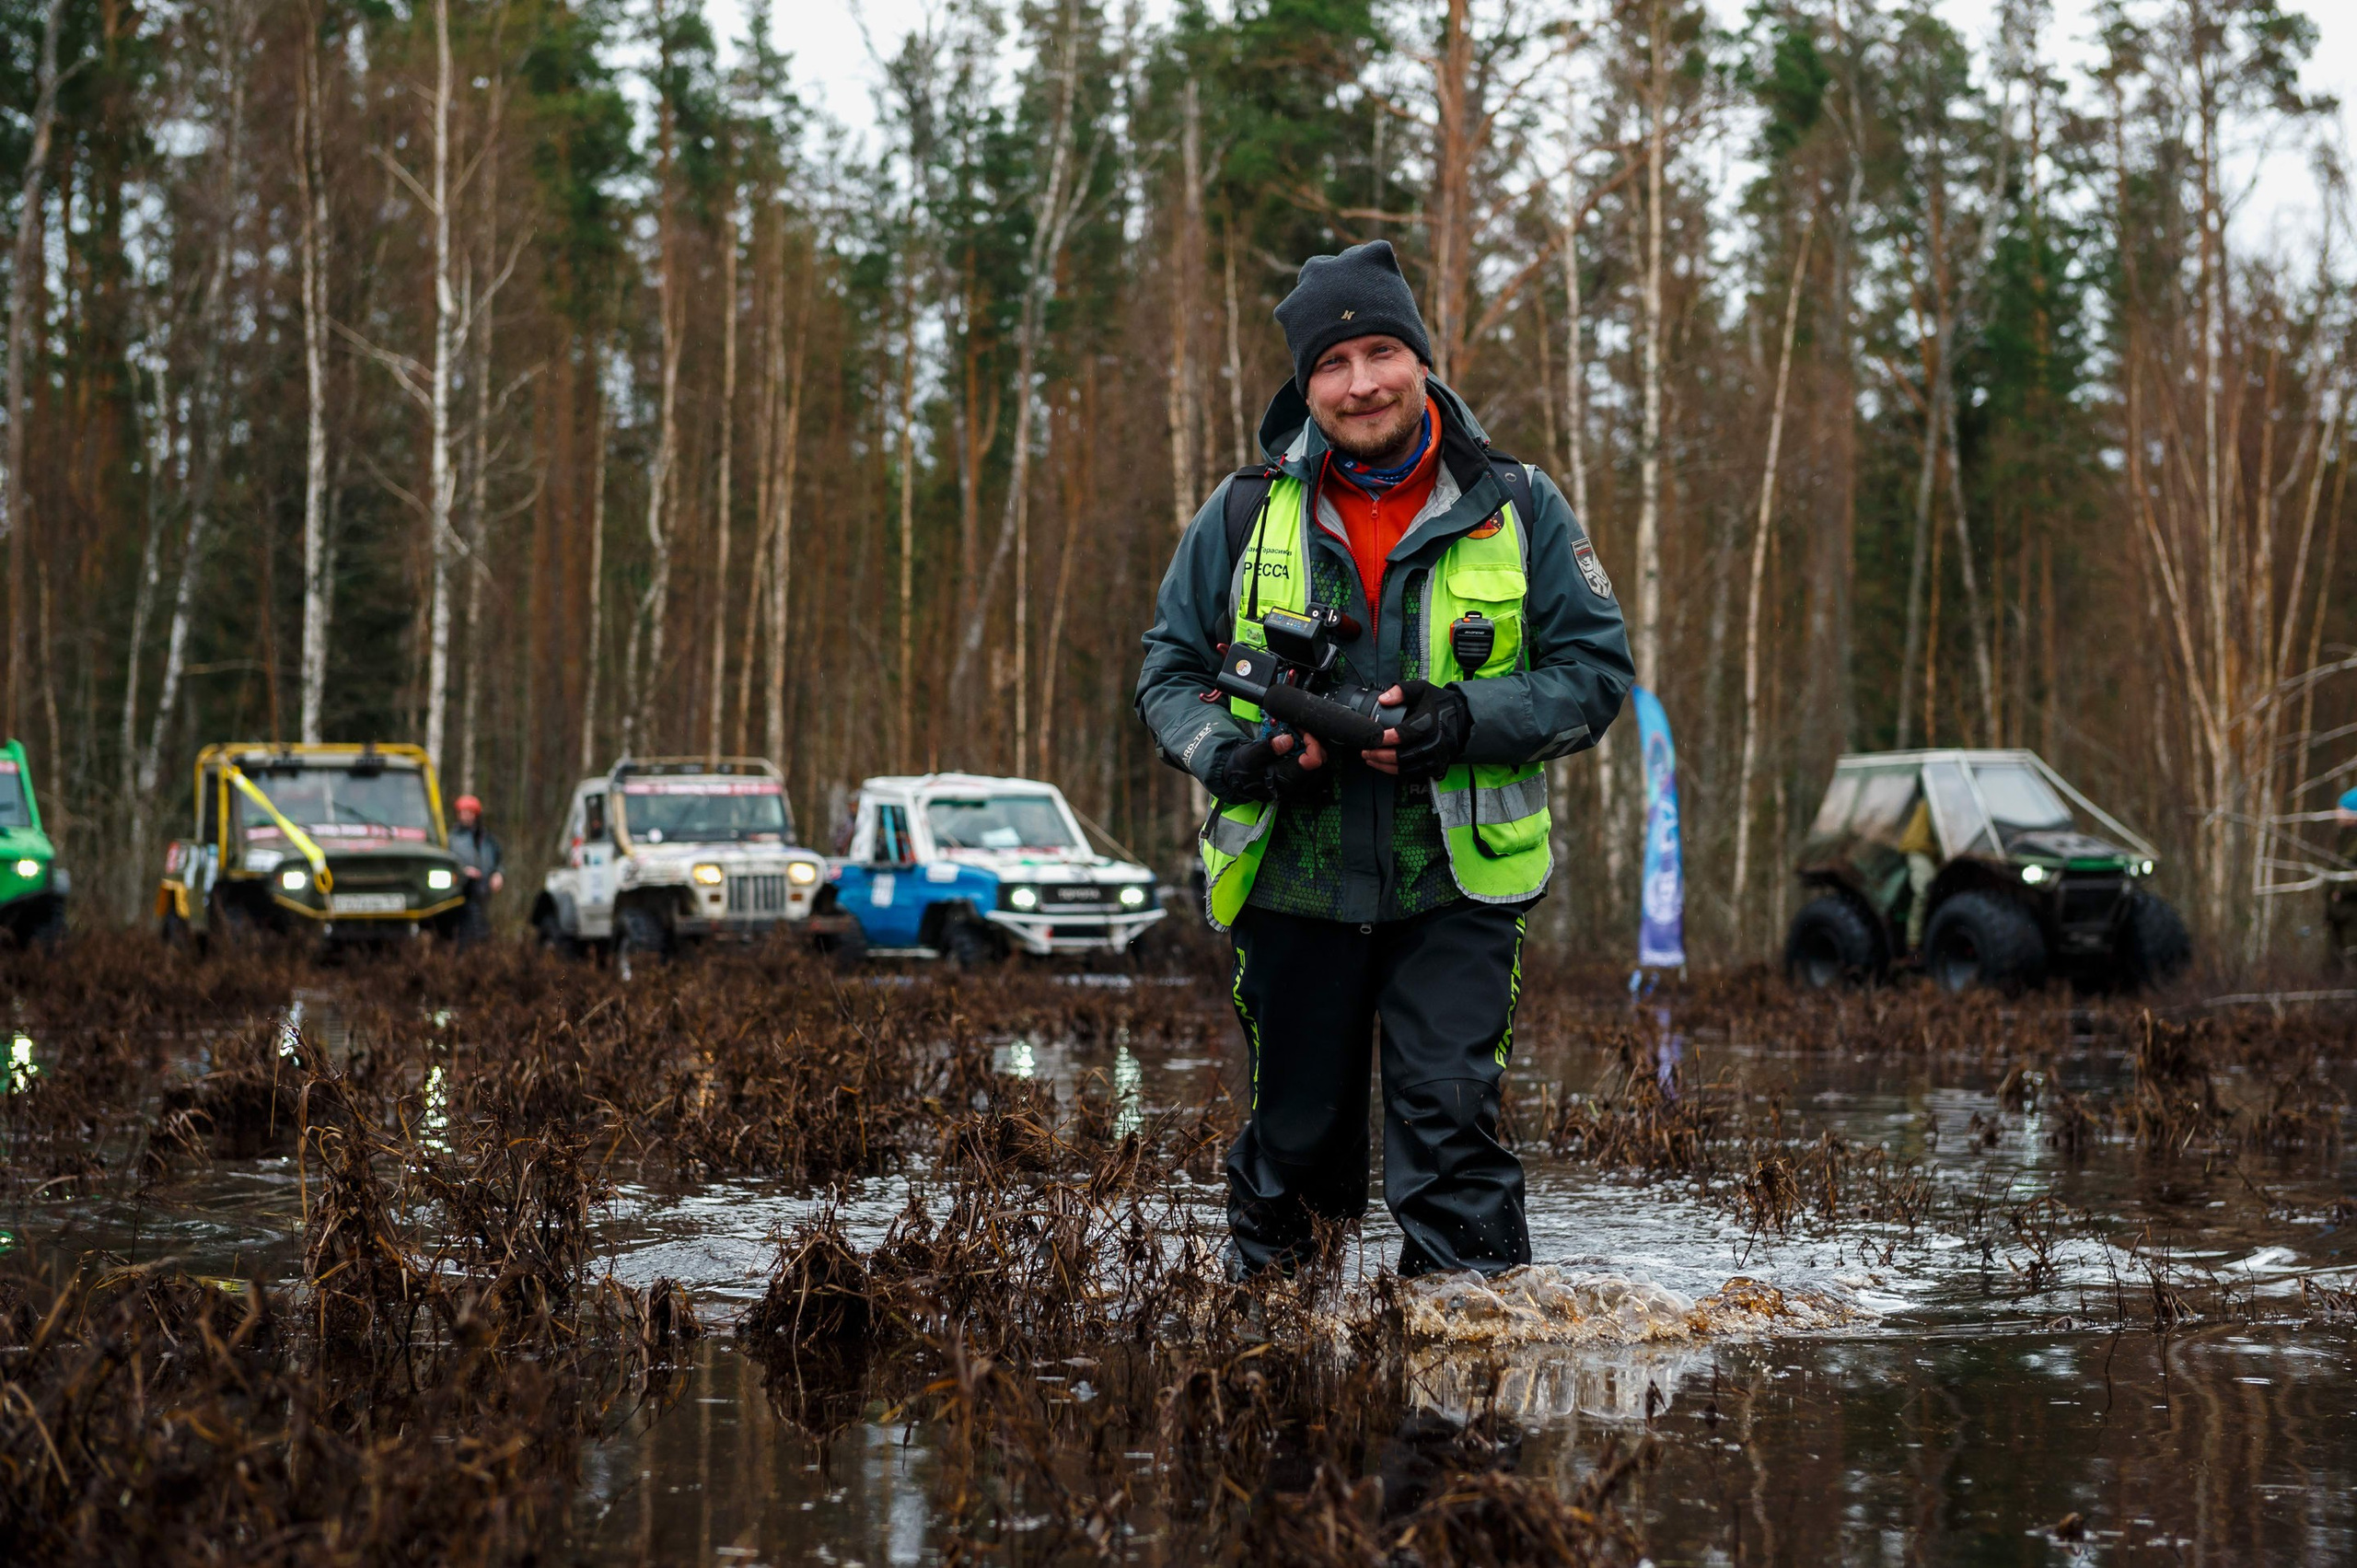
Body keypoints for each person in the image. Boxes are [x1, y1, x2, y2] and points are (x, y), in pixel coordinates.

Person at [1136, 239, 1633, 1280]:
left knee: (1453, 1133)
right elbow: (1168, 675)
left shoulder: (1520, 505)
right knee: (1295, 1150)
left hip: (1454, 879)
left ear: (1418, 356)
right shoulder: (1239, 510)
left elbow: (1595, 674)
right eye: (1332, 363)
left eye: (1378, 351)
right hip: (1292, 877)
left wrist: (1464, 717)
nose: (1359, 383)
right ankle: (1282, 1382)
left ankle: (1464, 1397)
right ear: (1304, 383)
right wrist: (1236, 754)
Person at [450, 793, 505, 943]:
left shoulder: (487, 838)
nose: (466, 816)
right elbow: (446, 863)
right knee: (465, 929)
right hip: (461, 894)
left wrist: (498, 874)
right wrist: (463, 872)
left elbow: (499, 860)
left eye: (469, 812)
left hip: (484, 892)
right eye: (463, 812)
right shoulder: (452, 839)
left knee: (484, 929)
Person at [2328, 786, 2357, 970]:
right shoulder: (2343, 838)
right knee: (2336, 966)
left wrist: (2342, 890)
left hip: (2352, 914)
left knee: (2351, 963)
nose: (2337, 813)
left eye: (2342, 809)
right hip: (2339, 914)